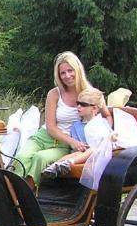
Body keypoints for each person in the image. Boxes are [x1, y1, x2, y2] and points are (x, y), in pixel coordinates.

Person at [12, 51, 104, 189]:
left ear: (77, 70)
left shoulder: (89, 93)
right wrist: (74, 142)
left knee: (40, 159)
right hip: (44, 137)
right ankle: (11, 193)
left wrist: (105, 132)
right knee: (21, 158)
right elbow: (51, 127)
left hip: (64, 144)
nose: (67, 76)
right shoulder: (54, 93)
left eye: (70, 70)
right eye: (63, 73)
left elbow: (105, 113)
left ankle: (27, 197)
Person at [41, 87, 111, 178]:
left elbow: (104, 142)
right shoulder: (76, 126)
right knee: (76, 153)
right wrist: (79, 147)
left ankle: (69, 162)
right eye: (77, 103)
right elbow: (75, 145)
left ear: (94, 108)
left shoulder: (100, 123)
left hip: (97, 154)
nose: (78, 106)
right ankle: (54, 166)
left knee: (92, 149)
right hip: (81, 154)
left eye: (83, 104)